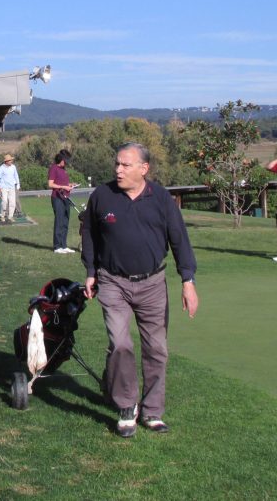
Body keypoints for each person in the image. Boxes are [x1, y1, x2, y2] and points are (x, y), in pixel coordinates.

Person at [82, 142, 199, 437]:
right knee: (120, 344)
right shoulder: (102, 196)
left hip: (153, 284)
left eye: (125, 165)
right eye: (117, 163)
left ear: (144, 168)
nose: (118, 170)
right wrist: (91, 271)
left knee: (156, 349)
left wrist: (188, 281)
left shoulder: (161, 198)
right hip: (112, 282)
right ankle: (126, 406)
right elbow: (89, 234)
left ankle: (152, 411)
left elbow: (179, 239)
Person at [47, 149, 76, 253]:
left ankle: (64, 246)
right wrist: (63, 187)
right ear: (61, 159)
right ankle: (57, 247)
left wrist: (70, 185)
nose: (66, 163)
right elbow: (50, 184)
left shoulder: (64, 169)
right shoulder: (53, 168)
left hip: (66, 198)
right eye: (65, 161)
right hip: (57, 198)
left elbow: (63, 183)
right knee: (59, 221)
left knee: (65, 222)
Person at [0, 154, 21, 223]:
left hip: (12, 187)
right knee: (4, 202)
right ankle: (2, 216)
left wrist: (18, 184)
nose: (11, 161)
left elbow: (16, 176)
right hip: (4, 188)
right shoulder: (1, 168)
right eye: (10, 160)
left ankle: (10, 216)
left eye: (11, 160)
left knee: (12, 203)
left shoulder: (13, 167)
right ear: (6, 161)